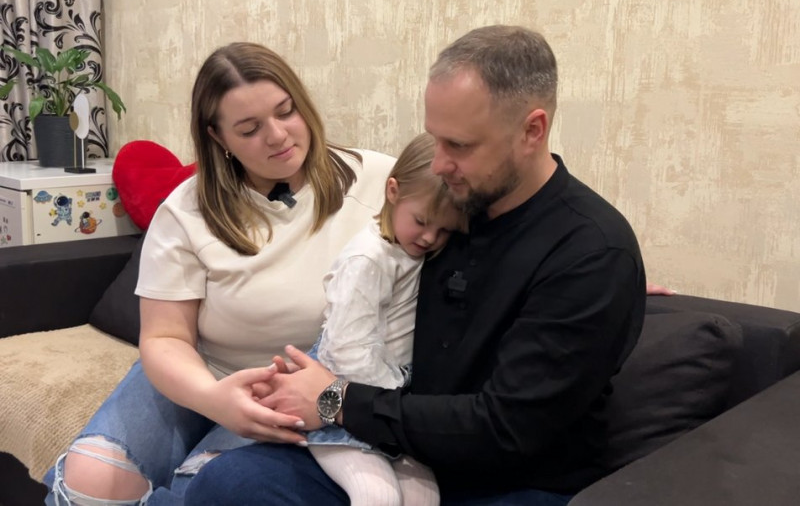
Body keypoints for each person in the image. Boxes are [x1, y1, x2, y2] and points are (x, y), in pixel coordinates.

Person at [184, 25, 649, 506]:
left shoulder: (590, 254)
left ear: (532, 131)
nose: (440, 164)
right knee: (226, 485)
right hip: (396, 444)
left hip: (508, 480)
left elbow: (504, 429)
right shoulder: (450, 208)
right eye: (435, 140)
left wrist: (336, 399)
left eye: (460, 146)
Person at [43, 42, 396, 505]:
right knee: (88, 479)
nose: (278, 136)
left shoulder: (380, 181)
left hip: (303, 388)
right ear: (218, 136)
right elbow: (165, 337)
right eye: (249, 129)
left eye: (286, 112)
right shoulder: (186, 210)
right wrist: (214, 399)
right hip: (203, 371)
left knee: (204, 490)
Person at [303, 132, 466, 506]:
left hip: (388, 398)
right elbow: (347, 349)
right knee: (377, 495)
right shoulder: (369, 260)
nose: (430, 238)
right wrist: (395, 402)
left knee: (425, 496)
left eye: (445, 229)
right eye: (422, 221)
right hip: (346, 395)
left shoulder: (412, 250)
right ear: (393, 191)